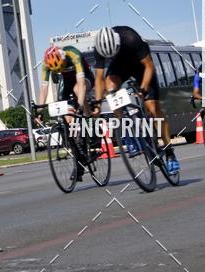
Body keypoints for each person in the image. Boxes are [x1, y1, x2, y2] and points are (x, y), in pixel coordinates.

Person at [93, 26, 179, 174]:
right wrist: (98, 103)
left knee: (153, 107)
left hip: (142, 67)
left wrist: (143, 89)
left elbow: (149, 66)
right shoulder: (99, 48)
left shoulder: (130, 38)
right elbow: (99, 78)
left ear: (117, 42)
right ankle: (126, 128)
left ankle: (169, 152)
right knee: (110, 86)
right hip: (120, 67)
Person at [37, 44, 94, 181]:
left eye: (61, 67)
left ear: (63, 58)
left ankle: (90, 120)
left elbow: (80, 83)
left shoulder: (73, 54)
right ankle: (78, 158)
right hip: (66, 83)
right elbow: (44, 89)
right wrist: (39, 111)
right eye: (57, 70)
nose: (60, 69)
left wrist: (79, 105)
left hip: (84, 78)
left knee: (77, 90)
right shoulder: (46, 64)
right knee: (67, 119)